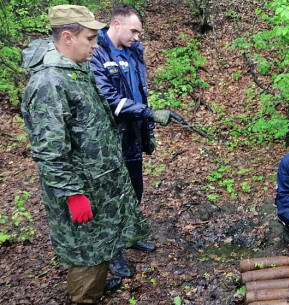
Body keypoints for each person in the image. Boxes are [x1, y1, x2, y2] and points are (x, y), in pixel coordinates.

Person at [20, 5, 150, 304]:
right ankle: (84, 296)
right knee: (86, 251)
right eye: (91, 38)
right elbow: (50, 151)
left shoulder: (76, 70)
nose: (96, 44)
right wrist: (72, 194)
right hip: (82, 190)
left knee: (99, 244)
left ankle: (96, 286)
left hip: (98, 183)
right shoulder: (49, 83)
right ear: (68, 37)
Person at [90, 4, 175, 278]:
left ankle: (129, 234)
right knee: (113, 197)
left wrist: (147, 128)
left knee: (135, 190)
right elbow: (109, 100)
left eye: (139, 32)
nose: (137, 36)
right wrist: (148, 113)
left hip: (133, 137)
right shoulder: (97, 52)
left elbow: (140, 93)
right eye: (134, 30)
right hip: (110, 140)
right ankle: (113, 251)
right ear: (116, 24)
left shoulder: (134, 52)